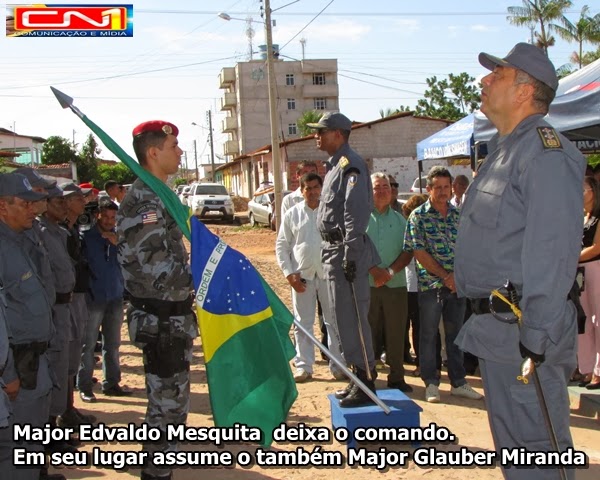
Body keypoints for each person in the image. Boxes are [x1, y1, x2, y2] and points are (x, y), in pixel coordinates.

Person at [455, 43, 586, 480]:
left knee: (538, 452)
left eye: (499, 74)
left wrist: (536, 337)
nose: (485, 80)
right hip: (499, 333)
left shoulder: (546, 153)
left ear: (526, 91)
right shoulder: (503, 151)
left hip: (526, 334)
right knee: (518, 457)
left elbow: (552, 253)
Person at [117, 120, 197, 480]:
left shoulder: (161, 194)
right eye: (173, 145)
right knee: (165, 407)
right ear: (153, 152)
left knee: (173, 405)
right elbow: (156, 267)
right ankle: (154, 473)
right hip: (161, 319)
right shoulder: (144, 199)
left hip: (174, 318)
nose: (179, 151)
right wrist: (205, 277)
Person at [308, 111, 380, 408]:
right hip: (333, 252)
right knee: (341, 318)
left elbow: (355, 214)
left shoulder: (351, 165)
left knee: (353, 317)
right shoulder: (335, 166)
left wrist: (350, 255)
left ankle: (366, 381)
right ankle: (356, 378)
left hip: (345, 253)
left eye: (321, 131)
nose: (316, 136)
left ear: (338, 134)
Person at [404, 166, 482, 403]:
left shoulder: (459, 215)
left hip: (457, 286)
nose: (442, 191)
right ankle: (431, 382)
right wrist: (445, 276)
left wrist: (457, 278)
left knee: (456, 335)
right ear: (428, 189)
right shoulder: (418, 216)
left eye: (446, 187)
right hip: (431, 286)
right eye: (437, 187)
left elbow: (470, 249)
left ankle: (458, 381)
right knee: (428, 335)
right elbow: (418, 251)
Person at [0, 173, 59, 480]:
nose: (32, 210)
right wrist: (8, 374)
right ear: (2, 207)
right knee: (15, 452)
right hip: (15, 375)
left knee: (32, 445)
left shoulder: (24, 240)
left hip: (36, 366)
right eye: (24, 204)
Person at [276, 172, 345, 382]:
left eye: (316, 187)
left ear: (322, 189)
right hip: (302, 277)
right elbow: (282, 245)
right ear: (302, 190)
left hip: (328, 275)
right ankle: (304, 366)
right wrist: (289, 274)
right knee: (303, 323)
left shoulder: (332, 213)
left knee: (333, 322)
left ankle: (338, 365)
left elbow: (343, 241)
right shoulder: (292, 214)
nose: (313, 192)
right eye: (308, 188)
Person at [78, 199, 130, 399]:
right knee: (88, 345)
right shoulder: (86, 238)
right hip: (93, 298)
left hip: (115, 296)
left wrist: (118, 244)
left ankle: (112, 383)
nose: (109, 221)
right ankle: (84, 387)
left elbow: (128, 261)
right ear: (97, 215)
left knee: (113, 344)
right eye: (106, 216)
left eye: (113, 217)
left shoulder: (119, 238)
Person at [366, 173, 413, 392]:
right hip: (367, 285)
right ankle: (367, 376)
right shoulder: (360, 219)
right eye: (377, 187)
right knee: (368, 332)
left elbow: (408, 251)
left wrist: (389, 272)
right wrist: (374, 271)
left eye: (386, 186)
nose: (383, 191)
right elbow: (355, 248)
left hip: (395, 286)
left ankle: (397, 377)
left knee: (396, 332)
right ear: (369, 190)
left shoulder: (400, 219)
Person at [577, 176, 600, 390]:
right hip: (579, 273)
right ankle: (585, 368)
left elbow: (596, 247)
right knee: (582, 321)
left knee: (598, 320)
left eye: (583, 189)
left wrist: (573, 257)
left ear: (593, 191)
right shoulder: (578, 217)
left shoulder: (598, 218)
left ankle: (598, 371)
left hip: (595, 269)